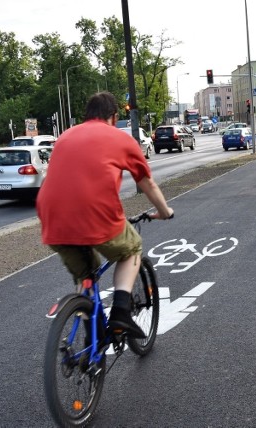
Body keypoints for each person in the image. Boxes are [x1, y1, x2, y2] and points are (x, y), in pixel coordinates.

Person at [36, 91, 174, 338]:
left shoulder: (65, 136)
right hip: (95, 214)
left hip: (51, 218)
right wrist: (164, 211)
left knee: (85, 275)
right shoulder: (119, 138)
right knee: (131, 248)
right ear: (114, 116)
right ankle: (121, 313)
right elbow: (147, 183)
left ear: (86, 115)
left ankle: (92, 334)